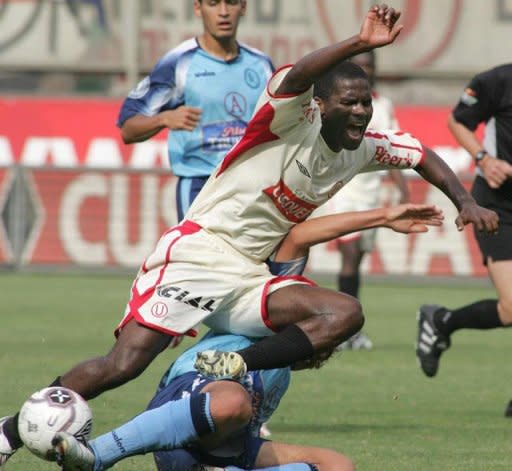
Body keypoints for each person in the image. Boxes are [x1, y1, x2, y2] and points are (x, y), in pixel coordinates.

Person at [0, 4, 498, 466]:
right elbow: (300, 74)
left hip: (247, 274)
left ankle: (232, 365)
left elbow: (422, 157)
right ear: (319, 106)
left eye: (366, 102)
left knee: (343, 313)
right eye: (350, 102)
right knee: (124, 364)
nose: (363, 112)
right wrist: (356, 42)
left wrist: (465, 201)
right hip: (197, 253)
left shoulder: (362, 148)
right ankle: (11, 432)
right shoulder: (285, 120)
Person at [51, 202, 444, 471]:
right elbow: (300, 236)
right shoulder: (261, 312)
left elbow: (243, 433)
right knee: (231, 400)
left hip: (222, 447)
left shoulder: (280, 374)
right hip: (186, 413)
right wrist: (382, 216)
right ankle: (99, 455)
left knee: (337, 464)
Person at [118, 0, 274, 221]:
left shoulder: (261, 65)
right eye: (213, 4)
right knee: (200, 256)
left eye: (230, 3)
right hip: (200, 185)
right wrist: (163, 118)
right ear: (198, 8)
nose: (223, 12)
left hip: (251, 185)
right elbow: (127, 128)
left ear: (243, 7)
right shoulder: (179, 63)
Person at [415, 64, 512, 394]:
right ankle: (442, 320)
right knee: (511, 307)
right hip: (499, 206)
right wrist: (484, 160)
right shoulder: (498, 80)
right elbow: (457, 120)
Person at [321, 50, 409, 350]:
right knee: (349, 253)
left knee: (357, 259)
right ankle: (340, 329)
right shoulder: (339, 102)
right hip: (344, 188)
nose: (367, 70)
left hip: (371, 191)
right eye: (361, 65)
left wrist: (403, 188)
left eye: (370, 66)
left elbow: (391, 147)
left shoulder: (383, 106)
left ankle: (348, 329)